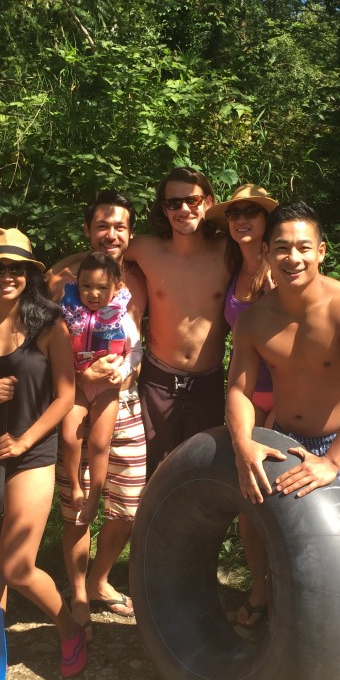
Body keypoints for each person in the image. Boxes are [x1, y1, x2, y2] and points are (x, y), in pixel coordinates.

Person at [227, 201, 340, 680]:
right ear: (267, 255)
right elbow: (240, 389)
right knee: (259, 528)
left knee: (339, 563)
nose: (292, 257)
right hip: (277, 439)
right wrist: (244, 441)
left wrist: (334, 459)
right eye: (281, 248)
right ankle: (274, 622)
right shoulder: (255, 317)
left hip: (339, 443)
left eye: (302, 246)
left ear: (320, 251)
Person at [0, 227, 86, 678]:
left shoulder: (50, 326)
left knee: (17, 565)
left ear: (28, 274)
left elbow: (66, 396)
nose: (6, 275)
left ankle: (68, 627)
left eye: (16, 269)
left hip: (30, 454)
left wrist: (25, 441)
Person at [46, 190, 147, 630]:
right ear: (88, 230)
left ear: (130, 233)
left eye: (119, 226)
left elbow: (143, 339)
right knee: (76, 505)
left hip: (124, 399)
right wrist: (78, 379)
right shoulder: (60, 281)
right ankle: (78, 588)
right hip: (73, 396)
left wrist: (123, 370)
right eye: (102, 225)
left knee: (128, 507)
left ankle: (100, 579)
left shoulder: (139, 279)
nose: (110, 234)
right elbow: (45, 343)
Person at [204, 183, 278, 628]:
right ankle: (261, 590)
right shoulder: (231, 268)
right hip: (247, 394)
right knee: (248, 503)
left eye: (252, 212)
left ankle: (293, 597)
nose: (241, 219)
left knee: (282, 503)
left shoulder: (283, 268)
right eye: (234, 213)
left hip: (288, 396)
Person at [125, 167, 230, 477]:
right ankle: (145, 528)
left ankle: (202, 529)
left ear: (208, 202)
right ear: (164, 209)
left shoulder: (229, 251)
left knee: (204, 475)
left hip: (207, 383)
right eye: (173, 203)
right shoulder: (145, 249)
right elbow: (99, 258)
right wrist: (54, 274)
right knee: (150, 476)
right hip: (157, 382)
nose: (183, 209)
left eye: (192, 200)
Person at [59, 252, 143, 526]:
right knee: (70, 437)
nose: (93, 294)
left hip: (107, 388)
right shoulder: (67, 313)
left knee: (99, 443)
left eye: (102, 287)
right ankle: (74, 485)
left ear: (117, 287)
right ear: (76, 284)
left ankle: (95, 493)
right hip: (79, 385)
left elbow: (135, 351)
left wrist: (122, 371)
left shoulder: (122, 319)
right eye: (86, 286)